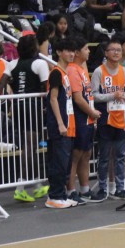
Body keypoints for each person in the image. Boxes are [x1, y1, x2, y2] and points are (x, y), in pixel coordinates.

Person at [89, 38, 125, 201]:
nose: (116, 53)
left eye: (119, 50)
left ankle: (120, 187)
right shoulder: (99, 71)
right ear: (106, 53)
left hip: (121, 118)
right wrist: (112, 95)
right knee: (104, 156)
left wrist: (124, 96)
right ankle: (102, 188)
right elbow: (94, 95)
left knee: (121, 156)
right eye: (113, 50)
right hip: (105, 118)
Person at [44, 37, 78, 208]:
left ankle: (61, 195)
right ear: (58, 52)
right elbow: (53, 99)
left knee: (66, 162)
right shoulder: (56, 73)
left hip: (68, 123)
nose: (71, 54)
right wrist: (60, 123)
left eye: (73, 51)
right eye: (68, 51)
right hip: (61, 125)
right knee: (58, 162)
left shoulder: (65, 73)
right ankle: (54, 196)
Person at [65, 37, 99, 204]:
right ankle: (70, 190)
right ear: (77, 52)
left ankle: (85, 189)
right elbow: (78, 99)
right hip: (80, 118)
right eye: (86, 48)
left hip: (88, 118)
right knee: (76, 155)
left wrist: (92, 115)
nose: (89, 51)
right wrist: (92, 112)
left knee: (86, 154)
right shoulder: (72, 70)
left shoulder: (81, 69)